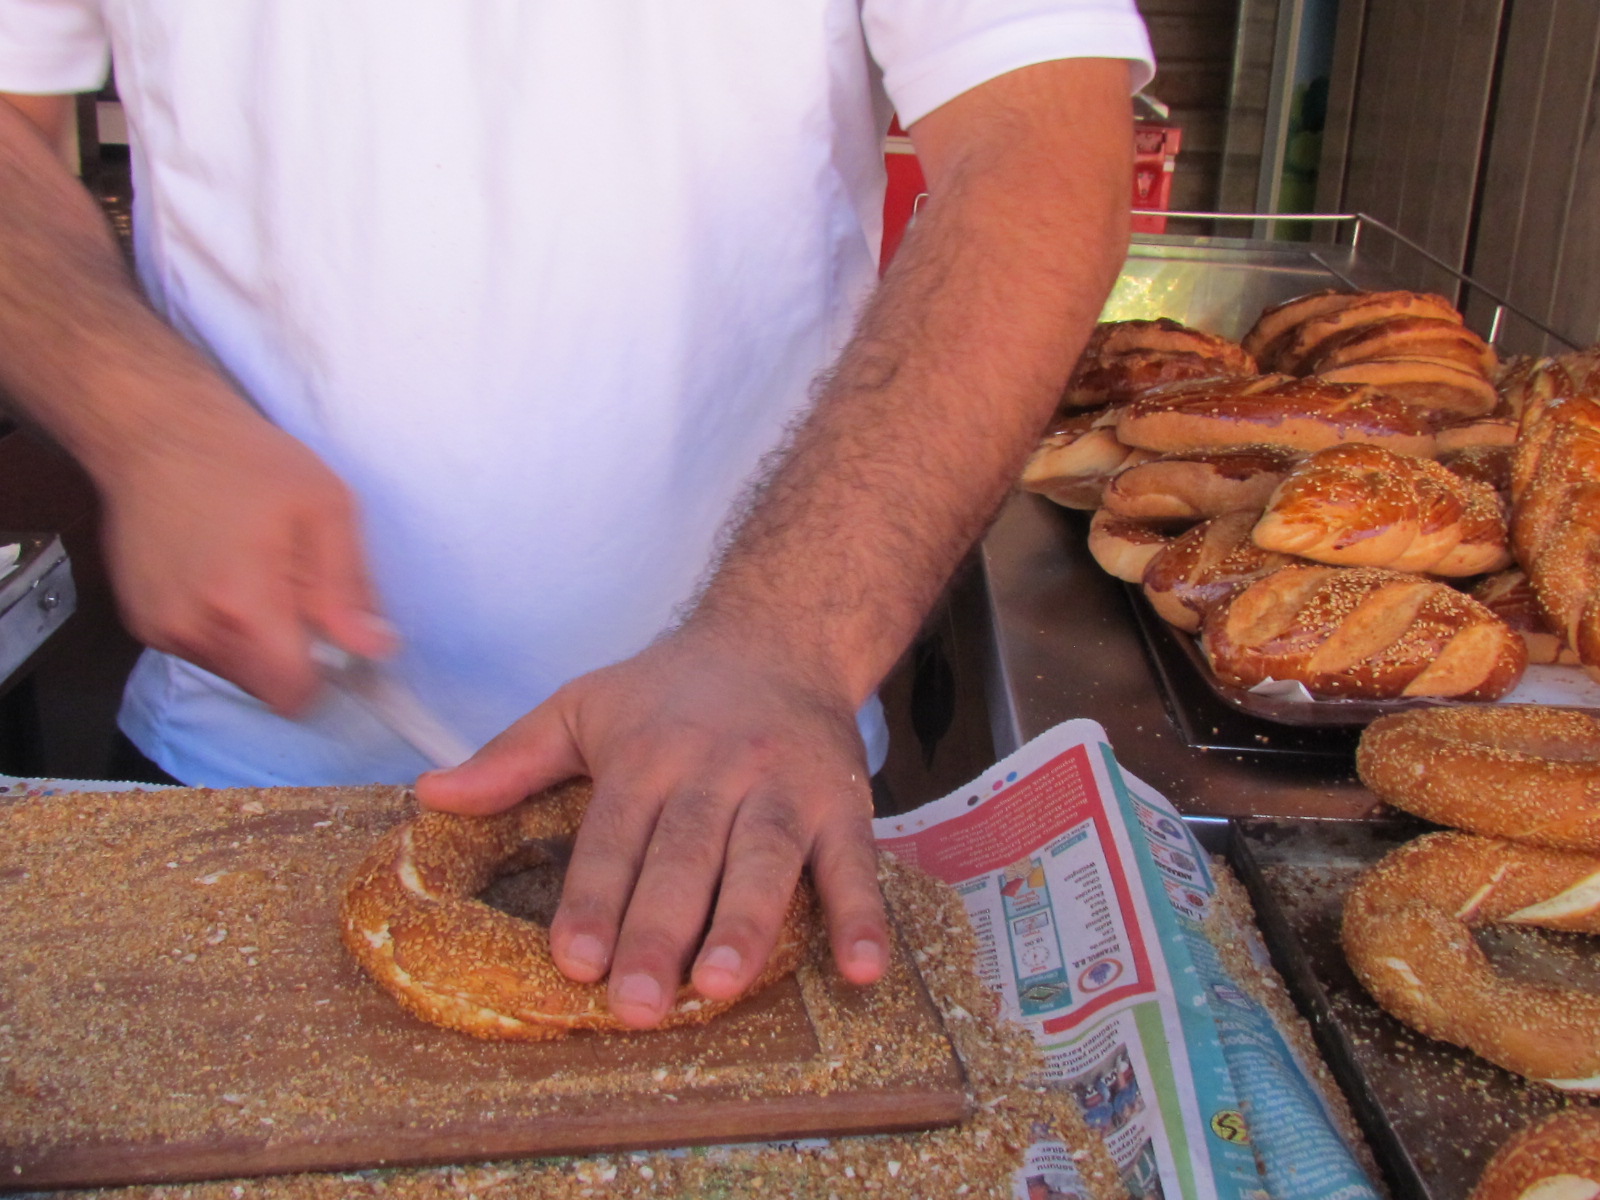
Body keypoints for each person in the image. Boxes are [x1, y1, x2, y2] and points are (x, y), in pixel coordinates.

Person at [0, 3, 1153, 1030]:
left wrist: (785, 638)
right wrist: (142, 415)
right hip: (232, 771)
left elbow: (1043, 144)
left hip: (743, 794)